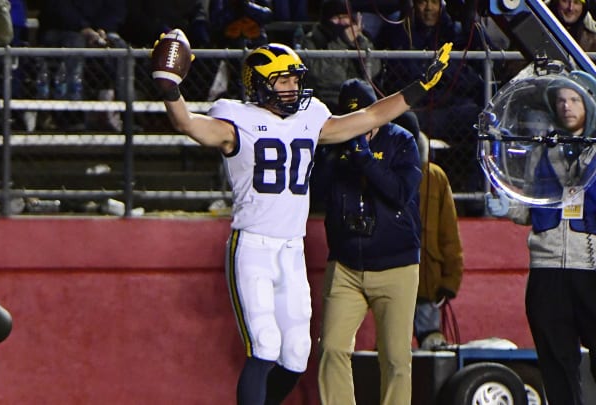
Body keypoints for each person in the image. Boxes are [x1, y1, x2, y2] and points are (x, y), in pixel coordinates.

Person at [151, 21, 451, 401]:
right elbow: (188, 124)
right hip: (253, 245)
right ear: (259, 84)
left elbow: (372, 117)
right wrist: (170, 91)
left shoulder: (310, 118)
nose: (293, 87)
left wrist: (417, 89)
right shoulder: (235, 120)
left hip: (292, 248)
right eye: (283, 80)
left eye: (295, 79)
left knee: (295, 356)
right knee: (264, 345)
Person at [486, 71, 596, 405]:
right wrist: (506, 204)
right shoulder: (542, 150)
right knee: (556, 361)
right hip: (547, 268)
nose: (566, 106)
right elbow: (525, 211)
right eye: (561, 100)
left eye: (575, 99)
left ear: (589, 104)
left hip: (591, 268)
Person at [309, 77, 421, 405]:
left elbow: (399, 194)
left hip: (396, 265)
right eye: (351, 121)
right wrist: (334, 155)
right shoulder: (333, 145)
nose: (360, 130)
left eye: (366, 121)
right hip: (345, 264)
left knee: (396, 358)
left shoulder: (402, 141)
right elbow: (314, 194)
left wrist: (365, 159)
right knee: (331, 347)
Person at [376, 0, 487, 214]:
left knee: (481, 121)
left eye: (434, 2)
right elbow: (399, 74)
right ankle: (402, 200)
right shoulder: (398, 29)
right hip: (411, 109)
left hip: (448, 108)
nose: (428, 8)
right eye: (422, 2)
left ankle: (475, 197)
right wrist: (432, 72)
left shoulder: (455, 30)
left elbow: (473, 72)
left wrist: (470, 20)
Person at [414, 130, 464, 350]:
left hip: (426, 281)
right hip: (392, 279)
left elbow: (449, 235)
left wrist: (450, 281)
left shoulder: (435, 178)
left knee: (431, 342)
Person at [301, 0, 380, 112]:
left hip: (360, 97)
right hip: (329, 99)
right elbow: (322, 75)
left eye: (345, 17)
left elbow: (374, 69)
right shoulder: (313, 39)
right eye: (337, 18)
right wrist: (342, 43)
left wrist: (360, 40)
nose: (342, 22)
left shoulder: (358, 38)